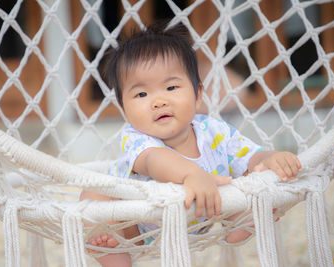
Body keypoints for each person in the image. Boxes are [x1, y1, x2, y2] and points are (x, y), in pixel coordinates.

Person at [80, 21, 302, 267]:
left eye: (171, 87)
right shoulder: (135, 137)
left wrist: (268, 159)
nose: (159, 101)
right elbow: (153, 161)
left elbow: (249, 156)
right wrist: (192, 174)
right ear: (123, 109)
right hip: (134, 224)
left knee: (252, 180)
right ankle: (116, 257)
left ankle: (243, 221)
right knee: (92, 196)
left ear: (197, 95)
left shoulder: (214, 132)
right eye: (141, 94)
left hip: (201, 217)